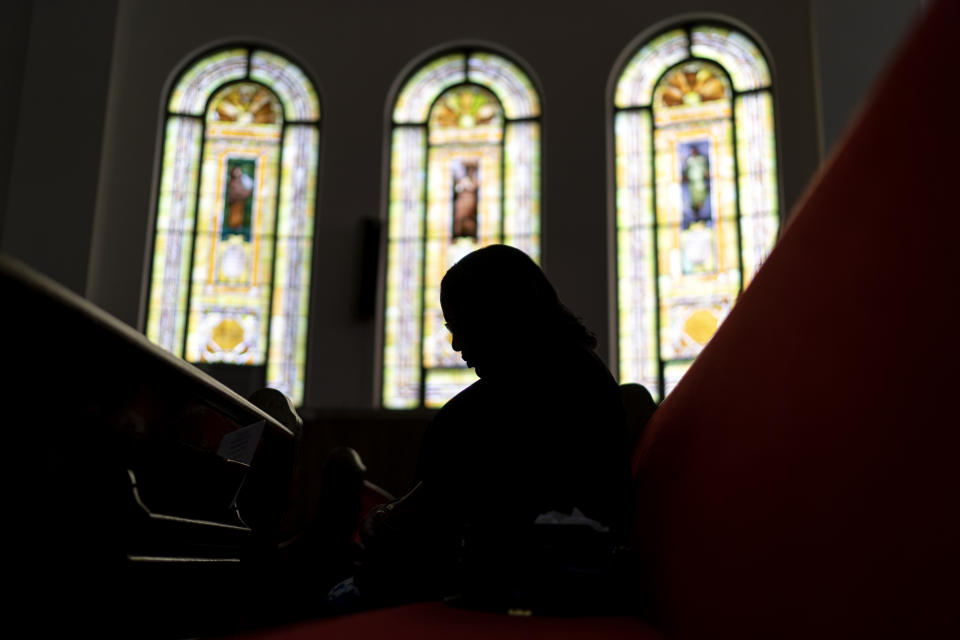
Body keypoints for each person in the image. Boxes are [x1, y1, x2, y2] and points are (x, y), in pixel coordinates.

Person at [347, 244, 633, 612]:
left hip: (519, 589)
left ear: (501, 313)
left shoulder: (535, 389)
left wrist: (386, 521)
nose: (455, 344)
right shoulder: (568, 370)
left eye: (462, 325)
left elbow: (440, 514)